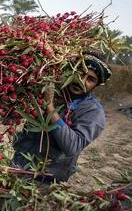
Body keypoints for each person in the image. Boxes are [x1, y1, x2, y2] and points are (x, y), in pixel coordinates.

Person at [12, 50, 113, 183]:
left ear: (96, 85)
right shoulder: (49, 89)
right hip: (17, 165)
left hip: (48, 177)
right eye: (80, 72)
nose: (82, 81)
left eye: (91, 79)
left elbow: (72, 146)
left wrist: (49, 106)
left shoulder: (93, 111)